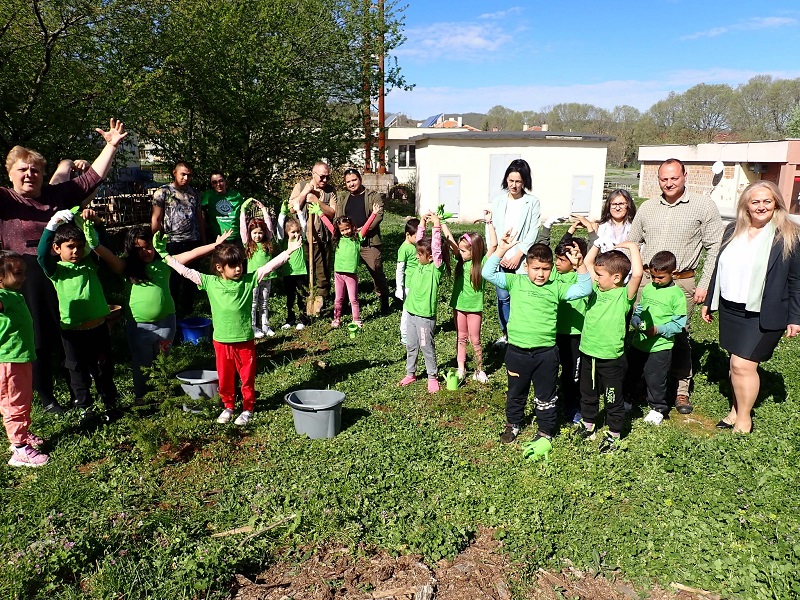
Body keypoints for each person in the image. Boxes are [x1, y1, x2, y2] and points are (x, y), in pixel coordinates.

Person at [0, 118, 127, 414]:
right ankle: (45, 395)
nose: (29, 174)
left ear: (44, 174)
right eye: (22, 169)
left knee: (70, 331)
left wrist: (110, 145)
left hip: (64, 273)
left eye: (35, 169)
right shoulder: (5, 199)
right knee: (38, 335)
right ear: (10, 174)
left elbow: (91, 178)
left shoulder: (55, 195)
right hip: (24, 275)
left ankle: (78, 388)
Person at [163, 236, 302, 425]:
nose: (238, 269)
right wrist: (165, 256)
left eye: (240, 265)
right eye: (233, 265)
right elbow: (186, 272)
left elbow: (269, 266)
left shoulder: (248, 281)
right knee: (225, 377)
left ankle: (247, 408)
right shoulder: (210, 282)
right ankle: (228, 406)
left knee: (247, 377)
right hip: (221, 341)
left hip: (244, 340)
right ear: (220, 268)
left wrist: (289, 250)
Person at [627, 158, 725, 415]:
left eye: (674, 178)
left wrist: (705, 284)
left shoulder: (703, 206)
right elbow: (632, 242)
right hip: (648, 281)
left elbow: (715, 246)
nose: (669, 183)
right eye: (664, 179)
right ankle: (642, 382)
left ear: (685, 176)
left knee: (678, 336)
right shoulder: (647, 208)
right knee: (642, 330)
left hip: (682, 282)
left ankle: (681, 389)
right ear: (657, 180)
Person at [481, 231, 591, 458]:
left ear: (551, 268)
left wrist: (580, 266)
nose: (540, 274)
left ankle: (545, 430)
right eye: (536, 268)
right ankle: (513, 423)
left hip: (546, 354)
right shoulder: (515, 281)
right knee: (516, 392)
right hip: (517, 352)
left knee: (546, 395)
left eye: (545, 269)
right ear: (526, 267)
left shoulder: (556, 287)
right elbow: (487, 272)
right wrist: (500, 249)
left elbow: (584, 289)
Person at [702, 181, 800, 434]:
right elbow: (718, 266)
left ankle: (744, 419)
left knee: (743, 365)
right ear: (746, 204)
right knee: (736, 363)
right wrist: (710, 300)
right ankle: (735, 411)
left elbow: (796, 280)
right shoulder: (733, 230)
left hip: (764, 312)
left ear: (776, 202)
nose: (761, 206)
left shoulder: (788, 234)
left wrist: (795, 317)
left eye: (767, 201)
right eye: (755, 201)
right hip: (732, 308)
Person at [93, 226, 230, 401]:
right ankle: (141, 397)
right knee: (142, 364)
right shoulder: (126, 267)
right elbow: (108, 256)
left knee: (162, 361)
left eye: (148, 246)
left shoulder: (165, 263)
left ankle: (161, 395)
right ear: (131, 250)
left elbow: (193, 253)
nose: (146, 251)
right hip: (139, 327)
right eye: (139, 248)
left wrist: (215, 245)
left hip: (166, 323)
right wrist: (95, 244)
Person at [37, 211, 119, 422]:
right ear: (57, 248)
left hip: (98, 328)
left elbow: (105, 247)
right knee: (78, 372)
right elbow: (41, 256)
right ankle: (85, 409)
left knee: (103, 368)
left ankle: (110, 404)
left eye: (79, 246)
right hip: (72, 333)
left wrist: (97, 224)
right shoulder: (56, 271)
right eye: (70, 247)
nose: (76, 251)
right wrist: (52, 225)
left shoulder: (90, 263)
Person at [575, 242, 643, 453]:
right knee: (587, 393)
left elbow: (638, 274)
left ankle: (614, 433)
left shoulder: (624, 296)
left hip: (611, 358)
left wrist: (632, 247)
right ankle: (588, 424)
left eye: (599, 274)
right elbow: (587, 262)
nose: (595, 278)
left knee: (612, 398)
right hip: (588, 352)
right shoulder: (594, 289)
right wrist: (597, 242)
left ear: (616, 278)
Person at [626, 250, 687, 426]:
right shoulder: (649, 288)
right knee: (632, 372)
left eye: (660, 277)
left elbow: (678, 324)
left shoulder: (677, 295)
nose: (655, 280)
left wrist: (658, 330)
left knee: (656, 378)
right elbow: (639, 310)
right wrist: (636, 322)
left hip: (661, 345)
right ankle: (628, 399)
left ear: (673, 274)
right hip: (639, 343)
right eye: (652, 276)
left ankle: (658, 408)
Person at [0, 251, 49, 467]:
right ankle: (19, 450)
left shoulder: (13, 294)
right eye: (18, 273)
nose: (24, 278)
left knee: (22, 400)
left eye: (24, 273)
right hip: (9, 360)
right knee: (14, 403)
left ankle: (21, 434)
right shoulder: (2, 297)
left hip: (20, 357)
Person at [486, 159, 541, 346]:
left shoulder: (532, 203)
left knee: (521, 297)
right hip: (501, 257)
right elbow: (491, 228)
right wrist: (498, 254)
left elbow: (533, 231)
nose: (514, 185)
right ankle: (506, 334)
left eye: (518, 181)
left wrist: (518, 255)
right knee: (503, 298)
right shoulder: (498, 201)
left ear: (525, 181)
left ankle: (520, 334)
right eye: (511, 181)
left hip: (521, 259)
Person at [441, 214, 495, 383]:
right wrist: (441, 222)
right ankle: (461, 368)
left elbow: (493, 245)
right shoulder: (461, 260)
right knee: (461, 337)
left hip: (474, 309)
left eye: (464, 250)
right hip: (458, 306)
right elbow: (449, 240)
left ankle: (479, 370)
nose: (460, 251)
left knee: (476, 339)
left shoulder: (483, 263)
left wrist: (489, 222)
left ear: (475, 251)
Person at [151, 162, 207, 318]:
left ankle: (188, 311)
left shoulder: (194, 193)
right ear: (174, 173)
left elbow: (199, 217)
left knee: (192, 279)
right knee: (172, 280)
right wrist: (154, 244)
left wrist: (203, 241)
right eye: (183, 174)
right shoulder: (163, 192)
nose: (186, 178)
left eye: (189, 175)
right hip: (171, 243)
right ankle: (172, 312)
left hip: (192, 241)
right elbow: (156, 218)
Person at [398, 213, 446, 393]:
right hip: (411, 311)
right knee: (411, 345)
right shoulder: (420, 264)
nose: (417, 256)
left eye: (420, 254)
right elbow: (420, 242)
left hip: (425, 316)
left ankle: (432, 376)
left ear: (432, 257)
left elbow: (436, 248)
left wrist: (437, 225)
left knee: (426, 346)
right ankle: (411, 373)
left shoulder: (435, 269)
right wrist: (423, 224)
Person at [334, 168, 391, 314]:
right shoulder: (343, 198)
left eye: (354, 180)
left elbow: (378, 215)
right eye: (348, 182)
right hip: (349, 242)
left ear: (360, 179)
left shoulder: (373, 196)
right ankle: (345, 304)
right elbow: (338, 218)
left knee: (376, 271)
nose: (352, 184)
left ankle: (384, 300)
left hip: (368, 242)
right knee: (346, 272)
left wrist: (361, 230)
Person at [314, 202, 379, 328]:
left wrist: (374, 214)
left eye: (347, 228)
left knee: (353, 299)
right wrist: (319, 212)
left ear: (352, 227)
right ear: (339, 230)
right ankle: (336, 319)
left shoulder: (357, 238)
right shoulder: (338, 238)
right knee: (338, 299)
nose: (346, 232)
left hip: (351, 275)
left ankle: (356, 319)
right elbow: (328, 224)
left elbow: (366, 227)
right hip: (338, 274)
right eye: (342, 230)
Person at [552, 235, 590, 425]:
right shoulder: (551, 275)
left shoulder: (582, 277)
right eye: (556, 259)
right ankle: (552, 402)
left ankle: (572, 406)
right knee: (552, 370)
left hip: (575, 334)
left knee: (572, 373)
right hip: (552, 332)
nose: (557, 263)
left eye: (562, 260)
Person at [289, 162, 336, 306]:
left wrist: (318, 202)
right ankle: (303, 304)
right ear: (313, 174)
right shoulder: (301, 186)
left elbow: (333, 213)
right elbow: (291, 208)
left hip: (322, 240)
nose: (325, 180)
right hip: (302, 241)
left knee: (323, 275)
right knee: (302, 275)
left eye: (327, 177)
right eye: (322, 177)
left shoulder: (330, 191)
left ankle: (323, 303)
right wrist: (305, 194)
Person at [240, 199, 276, 338]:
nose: (257, 236)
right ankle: (253, 327)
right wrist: (243, 210)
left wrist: (263, 209)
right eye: (254, 233)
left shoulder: (267, 242)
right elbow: (243, 227)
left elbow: (269, 226)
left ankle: (265, 326)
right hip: (253, 279)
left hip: (267, 278)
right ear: (250, 234)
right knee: (253, 304)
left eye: (260, 233)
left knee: (264, 303)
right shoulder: (248, 244)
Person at [276, 203, 309, 331]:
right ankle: (290, 319)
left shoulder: (301, 239)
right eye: (292, 232)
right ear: (287, 233)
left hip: (301, 272)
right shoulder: (283, 241)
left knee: (302, 297)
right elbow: (279, 228)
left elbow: (304, 225)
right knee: (290, 298)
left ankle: (303, 319)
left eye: (297, 231)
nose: (295, 234)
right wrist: (282, 213)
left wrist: (299, 211)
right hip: (288, 273)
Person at [395, 218, 420, 345]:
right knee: (407, 310)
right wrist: (399, 287)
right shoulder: (404, 248)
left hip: (418, 284)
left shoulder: (416, 246)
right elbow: (400, 269)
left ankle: (414, 331)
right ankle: (404, 335)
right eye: (417, 236)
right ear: (408, 235)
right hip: (409, 285)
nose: (419, 238)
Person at [201, 172, 245, 244]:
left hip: (237, 238)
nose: (218, 184)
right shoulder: (208, 196)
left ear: (225, 181)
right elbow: (199, 212)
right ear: (212, 184)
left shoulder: (236, 196)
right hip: (219, 239)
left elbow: (243, 215)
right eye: (214, 182)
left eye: (221, 181)